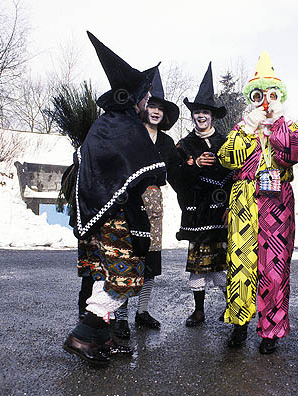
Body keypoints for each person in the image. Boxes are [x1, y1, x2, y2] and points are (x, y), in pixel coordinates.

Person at [62, 31, 165, 367]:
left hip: (99, 216)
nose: (148, 102)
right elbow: (144, 173)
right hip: (114, 219)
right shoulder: (123, 127)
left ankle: (100, 337)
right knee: (121, 281)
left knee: (108, 277)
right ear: (132, 98)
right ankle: (82, 335)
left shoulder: (107, 124)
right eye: (146, 96)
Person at [218, 51, 298, 354]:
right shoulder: (243, 127)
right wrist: (248, 127)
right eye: (259, 96)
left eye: (270, 95)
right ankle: (239, 324)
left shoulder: (290, 126)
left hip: (277, 204)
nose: (265, 102)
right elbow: (227, 158)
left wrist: (276, 127)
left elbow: (295, 154)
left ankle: (271, 331)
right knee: (241, 266)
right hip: (243, 203)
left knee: (274, 269)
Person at [113, 67, 182, 338]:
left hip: (155, 202)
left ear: (164, 114)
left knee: (149, 263)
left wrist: (192, 164)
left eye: (160, 108)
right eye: (151, 105)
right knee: (127, 259)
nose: (155, 111)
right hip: (130, 201)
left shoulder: (166, 142)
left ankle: (142, 312)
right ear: (144, 107)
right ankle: (120, 317)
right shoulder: (132, 132)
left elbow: (178, 174)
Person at [174, 62, 232, 327]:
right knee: (198, 265)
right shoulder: (183, 145)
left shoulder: (227, 142)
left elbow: (236, 175)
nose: (201, 116)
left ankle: (232, 306)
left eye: (205, 112)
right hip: (196, 213)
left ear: (212, 116)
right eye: (197, 112)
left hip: (221, 212)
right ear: (193, 115)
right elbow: (175, 179)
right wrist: (194, 166)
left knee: (221, 266)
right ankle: (199, 310)